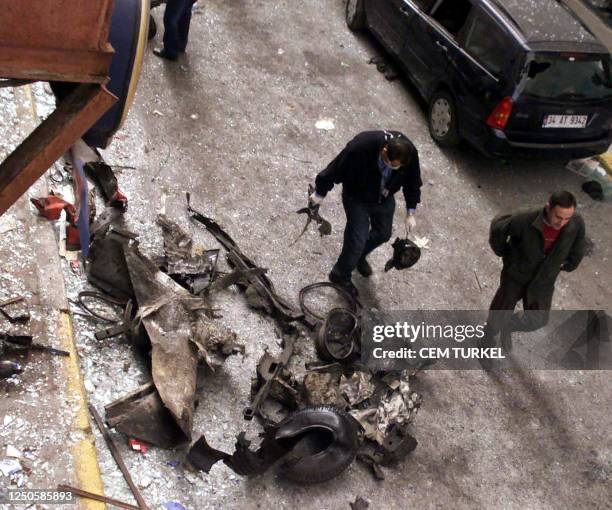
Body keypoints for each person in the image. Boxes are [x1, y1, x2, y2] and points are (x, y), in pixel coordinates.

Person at [310, 130, 423, 295]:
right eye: (391, 164)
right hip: (357, 196)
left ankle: (356, 257)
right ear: (384, 151)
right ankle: (340, 274)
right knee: (357, 239)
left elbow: (412, 182)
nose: (393, 168)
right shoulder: (361, 146)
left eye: (397, 167)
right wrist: (320, 192)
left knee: (383, 233)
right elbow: (336, 167)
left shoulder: (409, 154)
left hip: (384, 196)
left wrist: (410, 211)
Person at [483, 190, 586, 352]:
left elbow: (579, 246)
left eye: (567, 218)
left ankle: (508, 327)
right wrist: (506, 255)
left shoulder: (576, 223)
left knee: (538, 319)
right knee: (499, 312)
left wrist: (567, 264)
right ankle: (486, 340)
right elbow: (498, 227)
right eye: (558, 217)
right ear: (547, 208)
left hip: (544, 281)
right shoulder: (524, 218)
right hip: (516, 275)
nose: (562, 223)